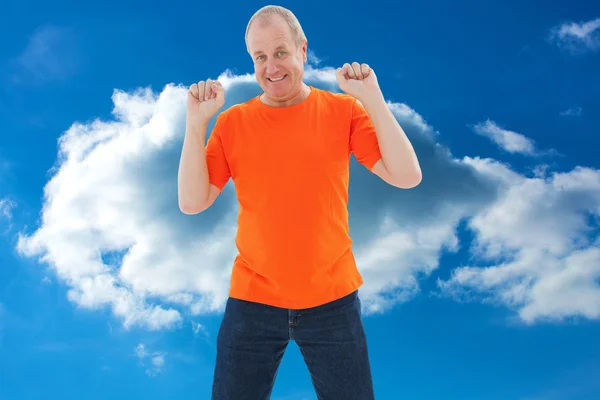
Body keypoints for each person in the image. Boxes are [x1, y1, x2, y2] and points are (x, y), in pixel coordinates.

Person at [178, 5, 422, 399]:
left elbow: (407, 176)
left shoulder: (342, 111)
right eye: (260, 57)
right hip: (252, 301)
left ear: (302, 50)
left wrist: (372, 99)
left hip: (333, 303)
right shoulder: (232, 124)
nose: (271, 67)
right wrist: (195, 123)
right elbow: (193, 202)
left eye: (280, 52)